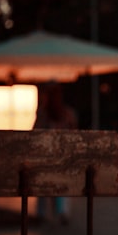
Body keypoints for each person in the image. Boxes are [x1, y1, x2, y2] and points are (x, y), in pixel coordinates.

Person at [34, 84, 78, 224]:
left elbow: (74, 133)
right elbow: (35, 134)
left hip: (60, 157)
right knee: (46, 186)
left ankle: (59, 213)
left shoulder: (66, 113)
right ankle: (47, 213)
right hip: (46, 158)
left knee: (60, 186)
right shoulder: (43, 114)